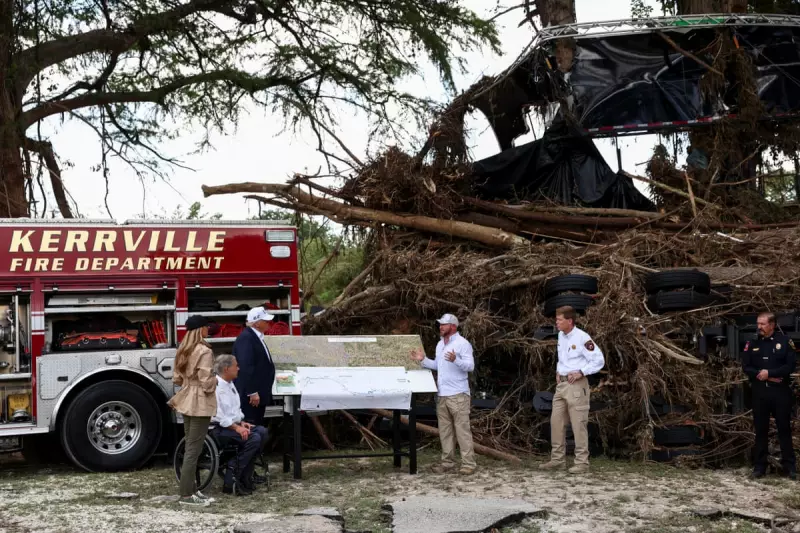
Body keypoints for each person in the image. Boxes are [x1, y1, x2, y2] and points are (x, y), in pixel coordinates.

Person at [540, 306, 604, 474]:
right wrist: (558, 371)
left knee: (578, 424)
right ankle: (557, 460)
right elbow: (563, 357)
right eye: (556, 319)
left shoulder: (583, 338)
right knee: (556, 422)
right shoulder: (561, 335)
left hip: (576, 386)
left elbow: (599, 360)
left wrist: (581, 372)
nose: (557, 322)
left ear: (570, 321)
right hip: (561, 386)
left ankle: (582, 463)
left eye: (560, 320)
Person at [410, 313, 477, 475]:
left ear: (453, 326)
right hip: (442, 394)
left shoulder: (463, 344)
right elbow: (438, 366)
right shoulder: (440, 345)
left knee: (462, 430)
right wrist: (423, 360)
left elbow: (470, 366)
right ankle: (448, 462)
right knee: (445, 431)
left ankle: (468, 463)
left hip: (458, 394)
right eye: (440, 324)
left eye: (444, 324)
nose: (440, 327)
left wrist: (456, 360)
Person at [168, 315, 217, 507]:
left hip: (186, 397)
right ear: (201, 329)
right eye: (206, 327)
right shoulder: (204, 350)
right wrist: (217, 380)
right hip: (199, 402)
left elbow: (177, 379)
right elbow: (207, 382)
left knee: (190, 446)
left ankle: (192, 490)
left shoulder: (183, 349)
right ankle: (186, 496)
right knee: (193, 450)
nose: (208, 330)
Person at [742, 312, 797, 479]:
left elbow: (790, 366)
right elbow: (746, 366)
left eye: (763, 324)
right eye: (758, 324)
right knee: (761, 430)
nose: (759, 327)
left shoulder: (785, 342)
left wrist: (770, 373)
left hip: (780, 392)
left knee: (784, 429)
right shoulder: (752, 343)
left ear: (772, 325)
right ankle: (759, 467)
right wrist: (761, 374)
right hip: (760, 392)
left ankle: (790, 467)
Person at [211, 354, 269, 495]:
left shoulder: (230, 385)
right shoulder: (216, 386)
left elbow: (233, 411)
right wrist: (237, 427)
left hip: (231, 425)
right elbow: (218, 416)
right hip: (218, 429)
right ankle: (234, 471)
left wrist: (242, 423)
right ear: (226, 369)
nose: (238, 368)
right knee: (252, 438)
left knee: (262, 432)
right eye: (235, 365)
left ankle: (246, 475)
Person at [232, 307, 276, 423]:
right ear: (256, 323)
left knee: (257, 422)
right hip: (251, 397)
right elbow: (246, 366)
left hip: (259, 393)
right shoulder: (247, 338)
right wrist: (252, 392)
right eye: (265, 321)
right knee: (251, 424)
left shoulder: (255, 336)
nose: (268, 324)